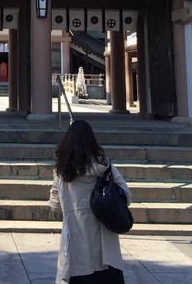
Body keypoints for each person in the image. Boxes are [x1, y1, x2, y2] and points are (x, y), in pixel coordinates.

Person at [49, 120, 131, 284]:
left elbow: (55, 205)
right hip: (105, 249)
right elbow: (126, 195)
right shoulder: (105, 166)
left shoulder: (61, 172)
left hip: (76, 250)